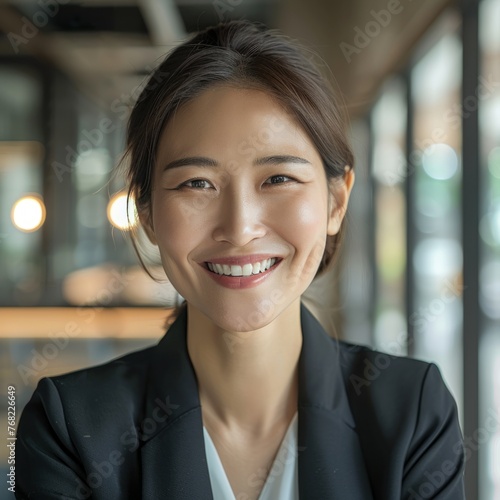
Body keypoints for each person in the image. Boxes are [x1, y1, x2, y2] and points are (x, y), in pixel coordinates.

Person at [16, 20, 465, 500]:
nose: (240, 226)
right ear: (145, 213)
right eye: (196, 184)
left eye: (278, 179)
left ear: (337, 200)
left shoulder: (413, 414)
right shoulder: (70, 427)